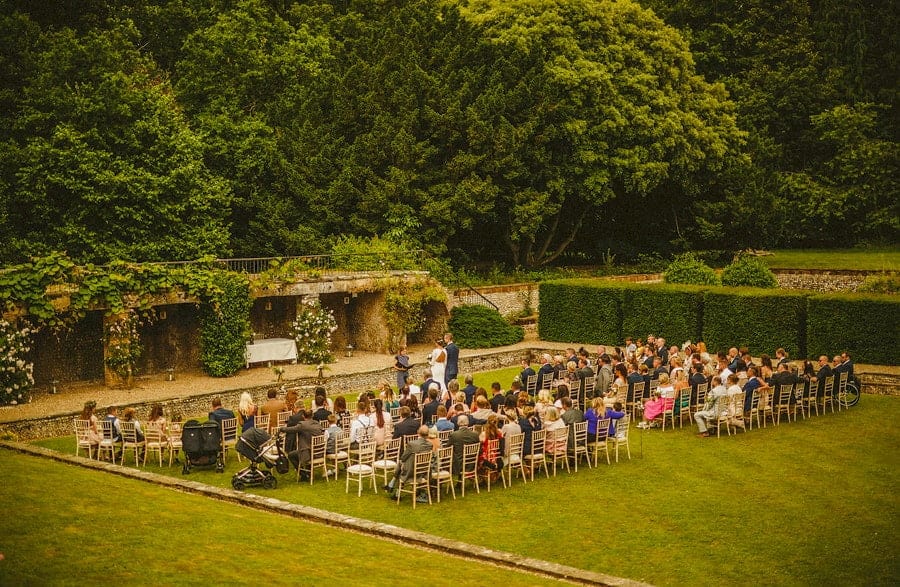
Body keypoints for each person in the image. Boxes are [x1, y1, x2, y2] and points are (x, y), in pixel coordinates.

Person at [385, 425, 433, 498]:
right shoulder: (430, 444)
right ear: (427, 434)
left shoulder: (412, 444)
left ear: (418, 432)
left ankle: (394, 488)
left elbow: (403, 457)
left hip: (411, 471)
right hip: (423, 470)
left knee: (401, 463)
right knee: (402, 463)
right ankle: (392, 486)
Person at [280, 408, 324, 480]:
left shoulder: (302, 425)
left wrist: (281, 429)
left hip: (308, 453)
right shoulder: (317, 423)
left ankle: (303, 474)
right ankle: (308, 472)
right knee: (305, 448)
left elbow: (291, 429)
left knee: (291, 455)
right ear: (312, 415)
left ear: (303, 416)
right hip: (319, 452)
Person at [478, 414, 504, 479]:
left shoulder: (484, 434)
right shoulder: (500, 432)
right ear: (496, 423)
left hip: (487, 458)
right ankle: (493, 474)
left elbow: (479, 444)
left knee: (477, 458)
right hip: (497, 456)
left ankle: (482, 478)